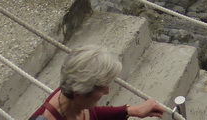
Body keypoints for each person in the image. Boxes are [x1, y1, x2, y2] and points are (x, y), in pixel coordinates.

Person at [28, 45, 165, 120]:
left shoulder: (71, 95)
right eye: (101, 88)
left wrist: (130, 110)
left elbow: (92, 114)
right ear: (79, 94)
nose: (107, 92)